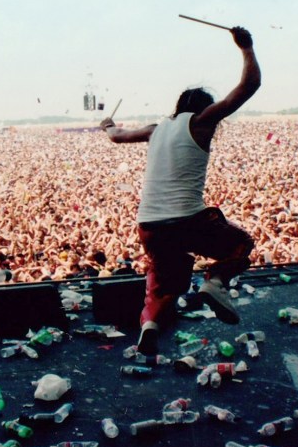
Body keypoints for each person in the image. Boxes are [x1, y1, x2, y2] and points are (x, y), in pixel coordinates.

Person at [99, 26, 261, 356]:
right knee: (242, 244)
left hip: (149, 225)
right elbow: (248, 87)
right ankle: (215, 282)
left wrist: (107, 126)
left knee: (163, 282)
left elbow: (116, 136)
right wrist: (246, 47)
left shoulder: (156, 129)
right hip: (187, 219)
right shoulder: (201, 121)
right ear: (204, 108)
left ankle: (149, 327)